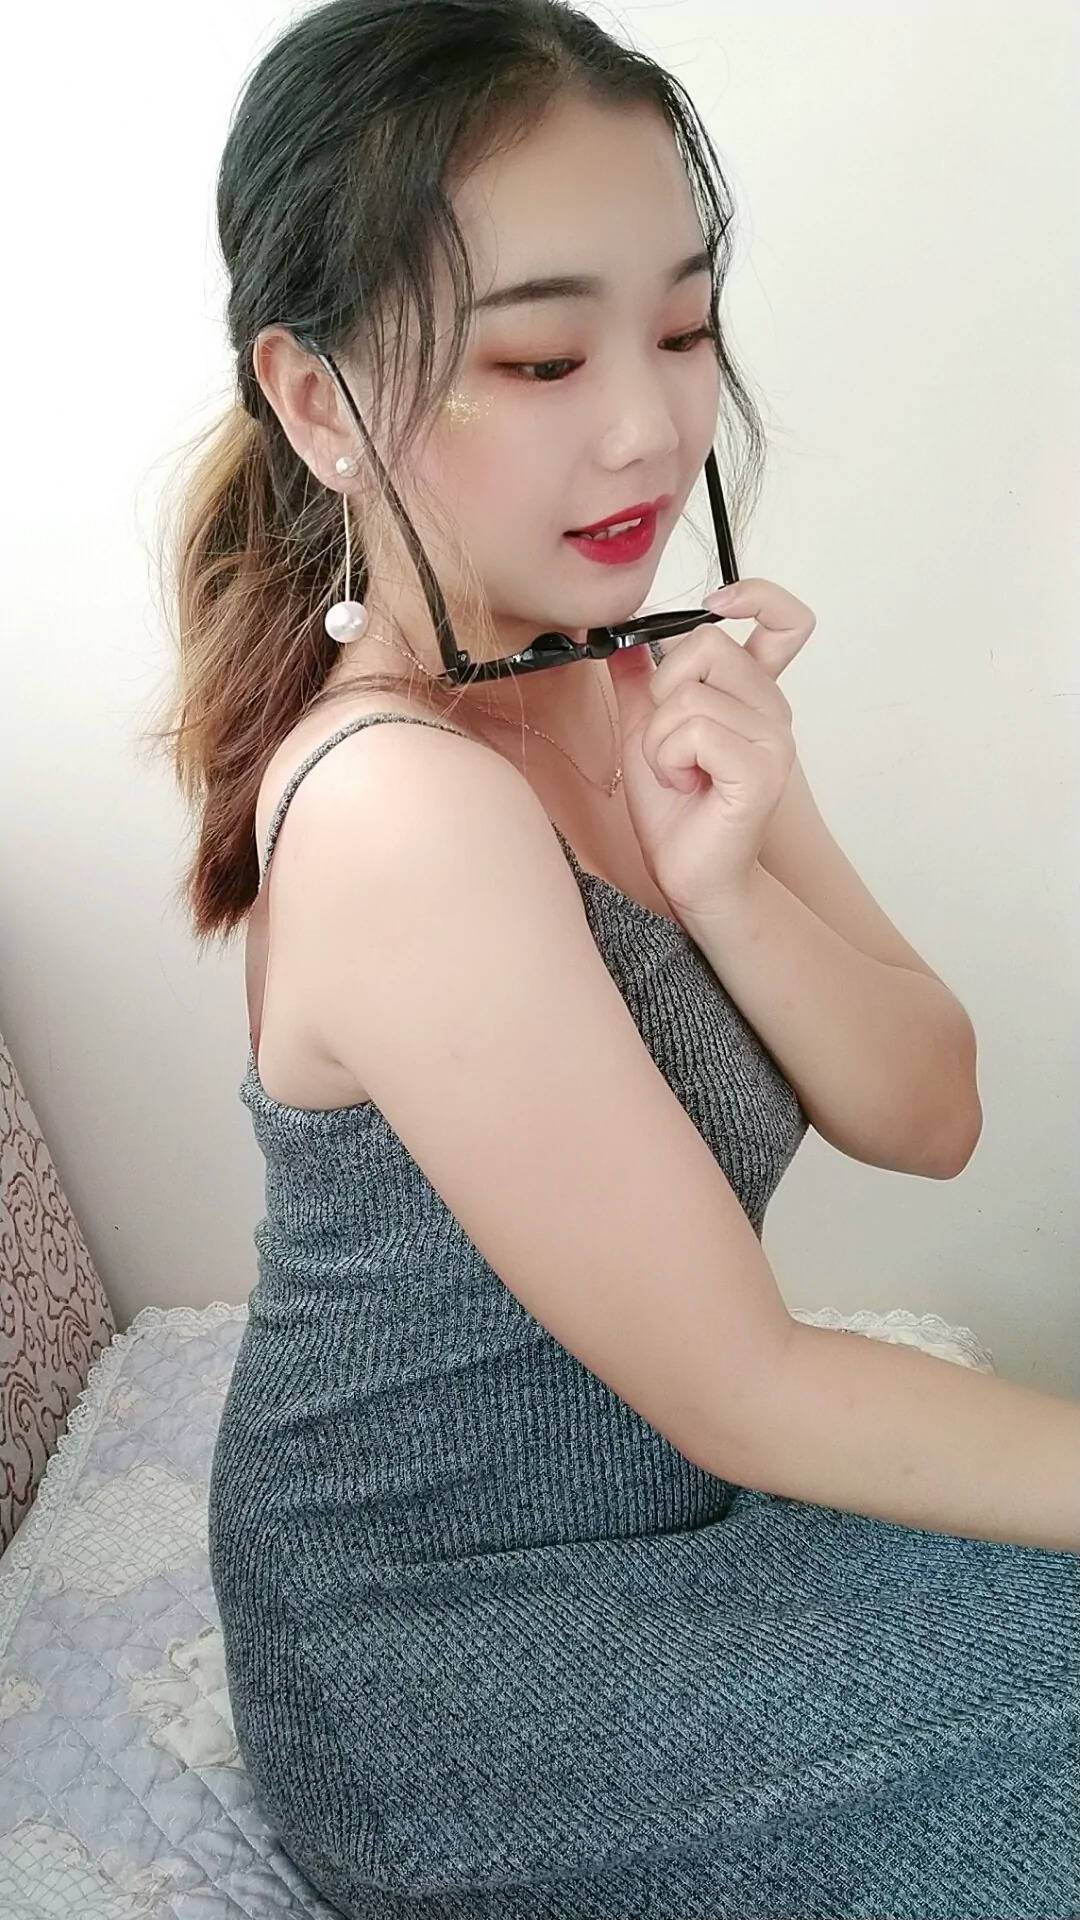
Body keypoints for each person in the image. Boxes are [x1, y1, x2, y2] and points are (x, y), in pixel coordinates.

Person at [152, 2, 1079, 1913]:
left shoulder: (644, 672)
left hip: (688, 1517)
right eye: (544, 356)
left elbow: (934, 1113)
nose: (651, 424)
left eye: (685, 327)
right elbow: (749, 1385)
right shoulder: (400, 806)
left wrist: (729, 884)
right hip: (445, 1655)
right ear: (319, 403)